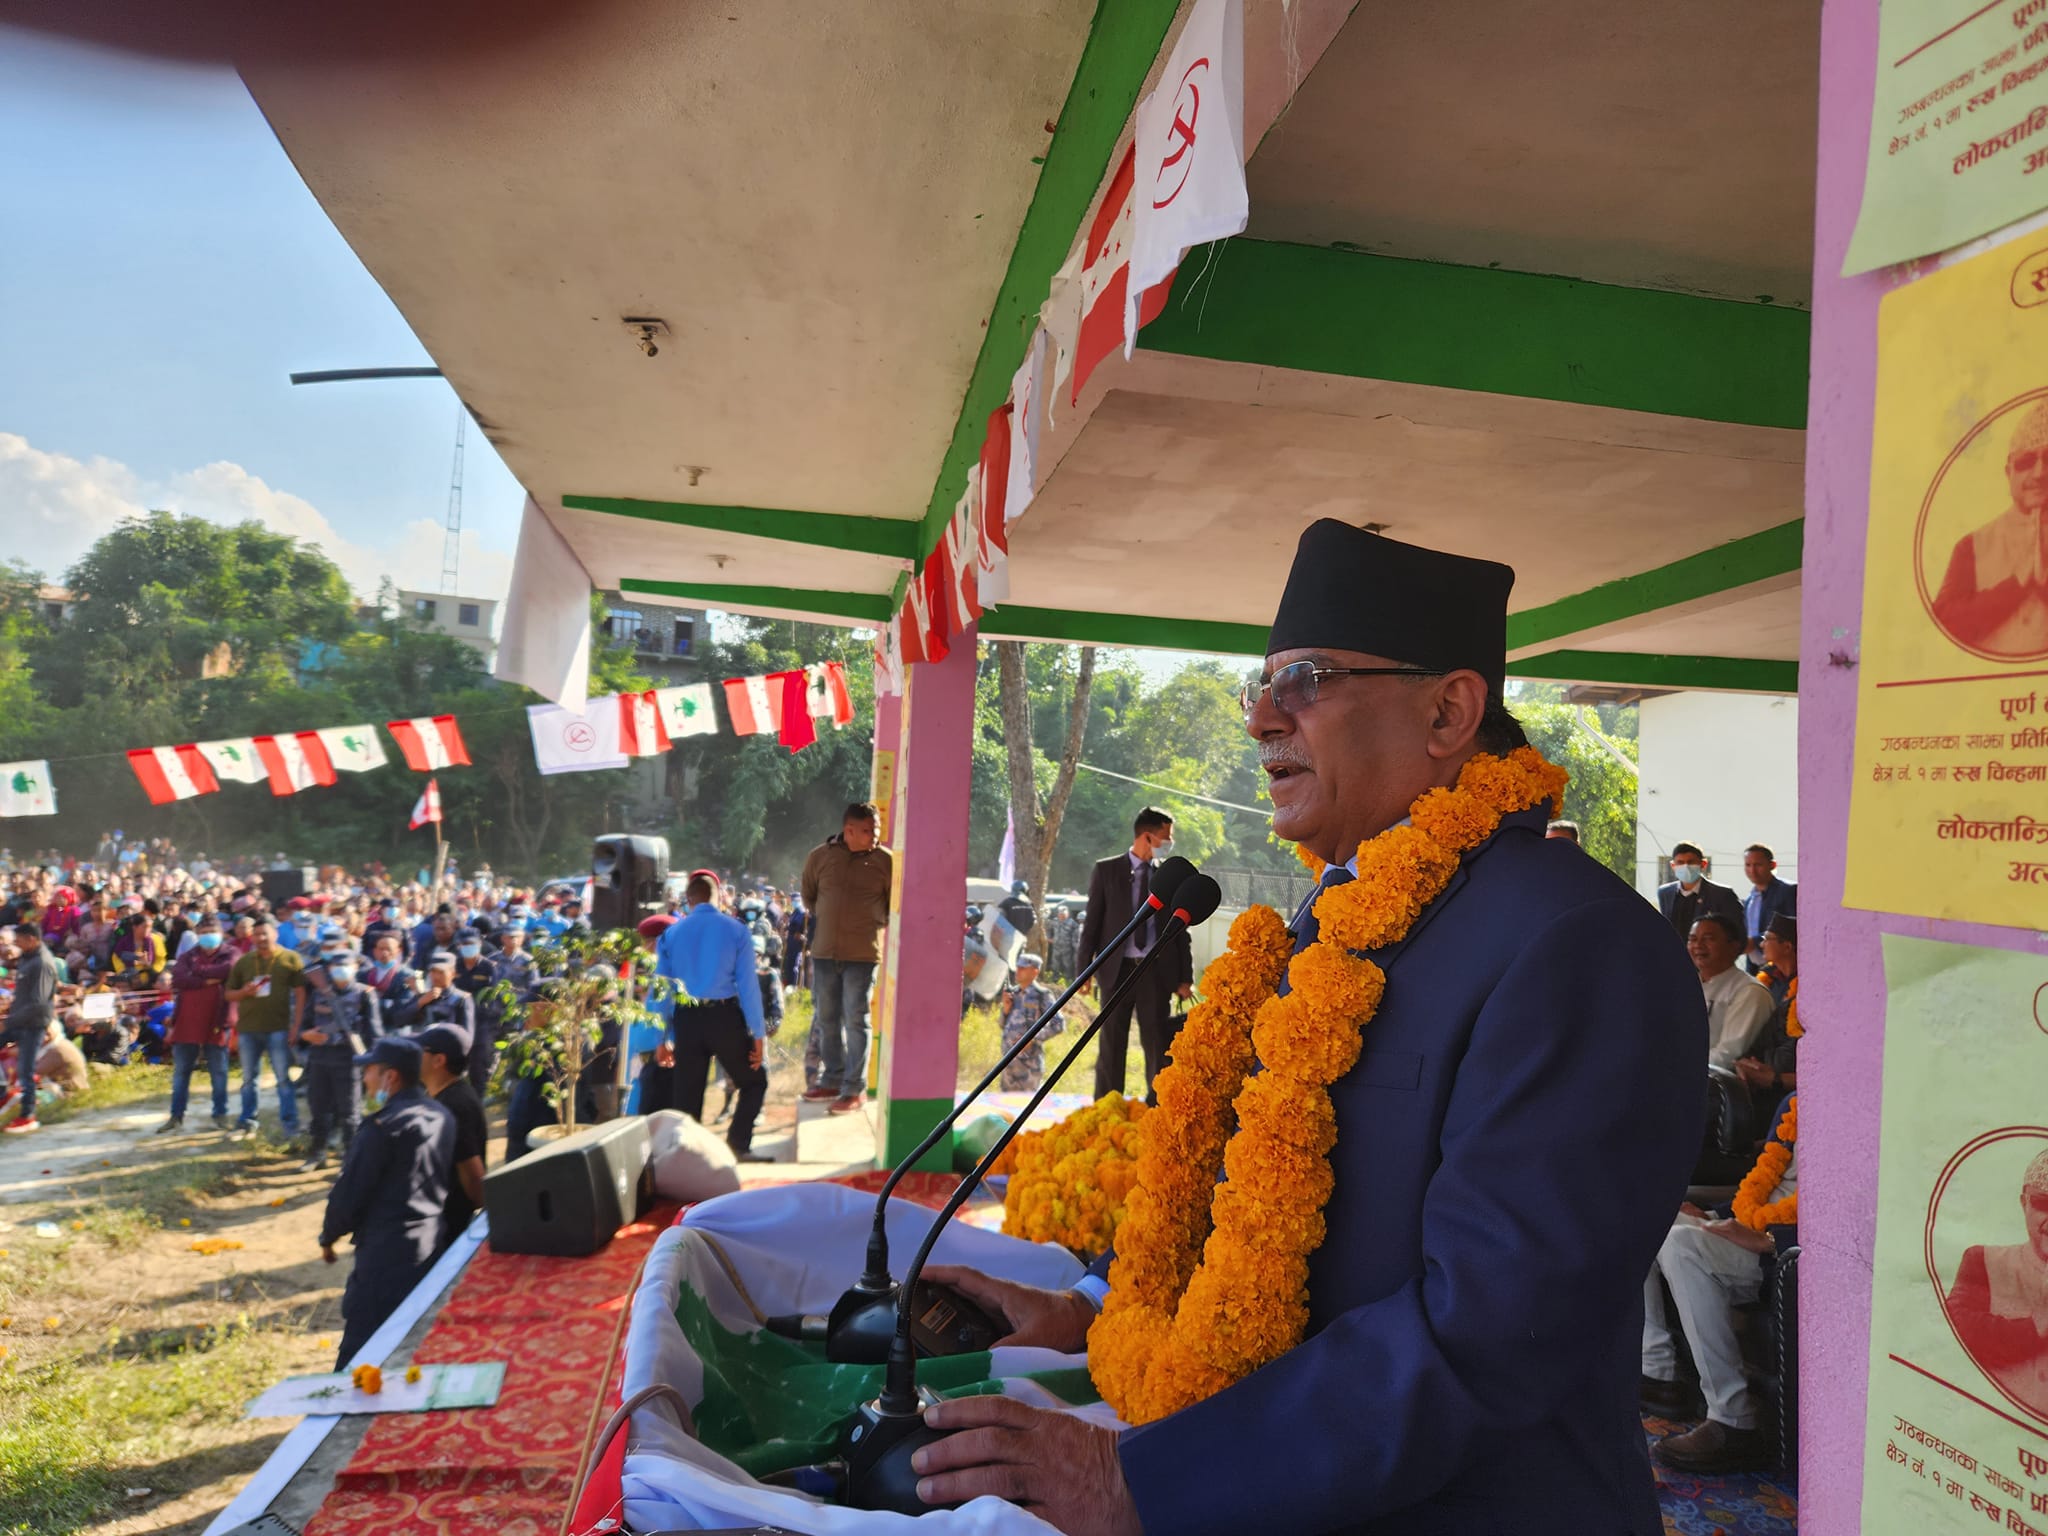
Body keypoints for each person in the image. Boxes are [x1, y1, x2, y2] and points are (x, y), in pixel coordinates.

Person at [911, 520, 1704, 1535]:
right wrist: (1092, 1311)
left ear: (1448, 711)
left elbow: (1493, 1328)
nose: (1260, 720)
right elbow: (1251, 1187)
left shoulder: (1576, 943)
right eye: (1262, 686)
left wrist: (1142, 1483)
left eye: (1306, 681)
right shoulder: (1333, 916)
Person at [1642, 1093, 1797, 1473]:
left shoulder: (1862, 1110)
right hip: (1748, 1229)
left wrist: (1773, 1240)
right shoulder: (1794, 1103)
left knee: (1681, 1245)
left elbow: (1853, 1212)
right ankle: (1658, 1374)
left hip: (1780, 1253)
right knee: (1640, 1217)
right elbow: (1764, 1185)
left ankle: (1734, 1420)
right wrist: (1715, 1215)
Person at [317, 1035, 455, 1369]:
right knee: (416, 1342)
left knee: (360, 1354)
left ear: (389, 1077)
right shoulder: (441, 1115)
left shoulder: (382, 1128)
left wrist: (328, 1236)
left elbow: (350, 1193)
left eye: (370, 1071)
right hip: (431, 1244)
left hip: (386, 1254)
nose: (365, 1079)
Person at [1076, 807, 1193, 1102]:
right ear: (1147, 836)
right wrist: (1084, 972)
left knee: (1157, 1043)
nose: (1169, 843)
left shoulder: (1168, 877)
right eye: (1166, 837)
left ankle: (1158, 1107)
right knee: (1112, 1043)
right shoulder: (1107, 871)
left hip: (1154, 972)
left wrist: (1185, 978)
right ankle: (1107, 1106)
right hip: (1116, 972)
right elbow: (1092, 925)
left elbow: (1180, 931)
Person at [654, 873, 771, 1161]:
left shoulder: (670, 935)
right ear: (718, 897)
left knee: (687, 1096)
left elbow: (662, 990)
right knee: (754, 1082)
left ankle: (688, 1159)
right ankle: (737, 1146)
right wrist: (758, 1034)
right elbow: (748, 986)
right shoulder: (737, 930)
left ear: (688, 899)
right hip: (724, 1017)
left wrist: (661, 1037)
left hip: (686, 1020)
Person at [799, 803, 892, 1114]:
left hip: (863, 956)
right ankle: (832, 1079)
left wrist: (870, 919)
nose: (875, 835)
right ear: (848, 830)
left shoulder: (886, 861)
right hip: (824, 954)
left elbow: (892, 905)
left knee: (855, 1019)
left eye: (876, 829)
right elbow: (809, 897)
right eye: (868, 830)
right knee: (826, 1019)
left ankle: (854, 1088)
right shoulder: (819, 857)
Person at [1934, 400, 2048, 655]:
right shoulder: (1971, 546)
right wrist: (2015, 585)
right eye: (2027, 461)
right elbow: (1942, 624)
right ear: (2009, 473)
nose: (2040, 473)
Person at [1946, 1147, 2048, 1419]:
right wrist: (2036, 1327)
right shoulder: (1982, 1261)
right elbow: (1951, 1333)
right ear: (2024, 1203)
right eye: (2044, 1203)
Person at [295, 951, 383, 1172]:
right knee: (318, 1108)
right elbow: (304, 1025)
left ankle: (350, 1160)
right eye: (335, 966)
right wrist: (306, 1035)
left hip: (349, 1060)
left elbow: (375, 1033)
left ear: (356, 967)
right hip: (320, 1058)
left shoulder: (365, 994)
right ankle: (317, 1153)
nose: (340, 970)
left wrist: (374, 1063)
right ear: (329, 969)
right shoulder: (318, 992)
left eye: (346, 965)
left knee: (350, 1113)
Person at [225, 918, 305, 1140]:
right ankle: (247, 1122)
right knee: (249, 1080)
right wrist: (244, 992)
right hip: (249, 1029)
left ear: (275, 934)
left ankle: (290, 1125)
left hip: (278, 1028)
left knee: (283, 1079)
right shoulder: (245, 961)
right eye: (256, 934)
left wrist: (296, 1026)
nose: (261, 938)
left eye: (265, 933)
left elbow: (301, 994)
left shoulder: (290, 958)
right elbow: (229, 994)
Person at [416, 1024, 487, 1256]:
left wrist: (481, 1222)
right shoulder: (441, 1095)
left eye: (420, 1050)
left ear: (439, 1060)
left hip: (449, 1224)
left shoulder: (456, 1105)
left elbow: (473, 1172)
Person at [160, 915, 234, 1133]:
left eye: (212, 932)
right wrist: (208, 979)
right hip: (187, 1021)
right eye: (203, 933)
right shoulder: (188, 956)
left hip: (217, 1019)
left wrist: (197, 974)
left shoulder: (231, 953)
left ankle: (220, 1114)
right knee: (181, 1072)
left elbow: (228, 970)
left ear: (221, 933)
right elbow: (178, 979)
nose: (208, 936)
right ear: (197, 935)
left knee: (218, 1071)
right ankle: (176, 1116)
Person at [1689, 912, 1774, 1072]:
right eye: (1692, 939)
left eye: (1708, 939)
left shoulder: (1750, 992)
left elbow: (1728, 1056)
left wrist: (1677, 1067)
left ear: (1734, 947)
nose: (1698, 945)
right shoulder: (1687, 986)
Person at [3, 924, 57, 1134]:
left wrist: (10, 1020)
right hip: (19, 1020)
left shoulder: (42, 963)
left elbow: (38, 1003)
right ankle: (5, 1095)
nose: (16, 944)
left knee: (26, 1071)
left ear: (31, 939)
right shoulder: (27, 958)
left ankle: (28, 1116)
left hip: (32, 1024)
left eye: (19, 940)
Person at [997, 953, 1062, 1092]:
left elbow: (1058, 1024)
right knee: (1006, 1103)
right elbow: (1002, 1025)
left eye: (1023, 968)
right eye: (1018, 967)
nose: (1018, 971)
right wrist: (1005, 1010)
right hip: (1008, 1065)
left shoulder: (1042, 995)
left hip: (1029, 1067)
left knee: (1028, 1103)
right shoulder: (1013, 994)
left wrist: (1032, 1039)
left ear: (1035, 972)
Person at [1657, 842, 1745, 941]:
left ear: (1703, 864)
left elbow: (1738, 933)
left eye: (1691, 862)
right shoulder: (1665, 893)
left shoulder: (1722, 894)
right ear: (1673, 865)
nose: (1686, 867)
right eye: (1680, 862)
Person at [389, 951, 477, 1045]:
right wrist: (420, 1003)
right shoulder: (423, 996)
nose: (436, 976)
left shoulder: (462, 999)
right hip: (422, 1048)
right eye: (433, 971)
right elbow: (399, 1021)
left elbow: (467, 1036)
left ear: (453, 974)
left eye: (441, 972)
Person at [1739, 844, 1796, 974]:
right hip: (1755, 966)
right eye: (1748, 865)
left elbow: (1791, 928)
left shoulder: (1788, 891)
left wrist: (1755, 941)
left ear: (1772, 865)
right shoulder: (1750, 899)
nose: (1752, 870)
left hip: (1781, 966)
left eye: (1758, 865)